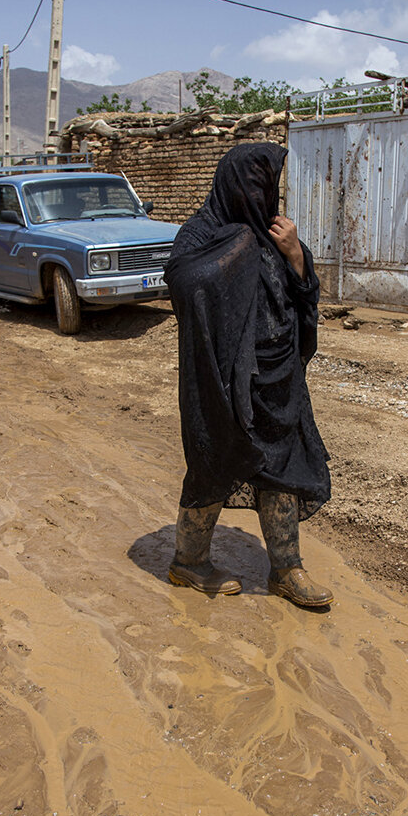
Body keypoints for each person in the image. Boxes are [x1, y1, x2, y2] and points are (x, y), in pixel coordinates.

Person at [163, 142, 333, 608]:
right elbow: (181, 282)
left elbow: (303, 296)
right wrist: (235, 253)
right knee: (215, 463)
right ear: (235, 183)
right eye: (257, 183)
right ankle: (189, 561)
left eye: (270, 184)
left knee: (283, 468)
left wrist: (297, 256)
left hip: (279, 378)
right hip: (222, 379)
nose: (266, 194)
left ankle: (287, 570)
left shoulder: (278, 234)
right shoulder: (203, 231)